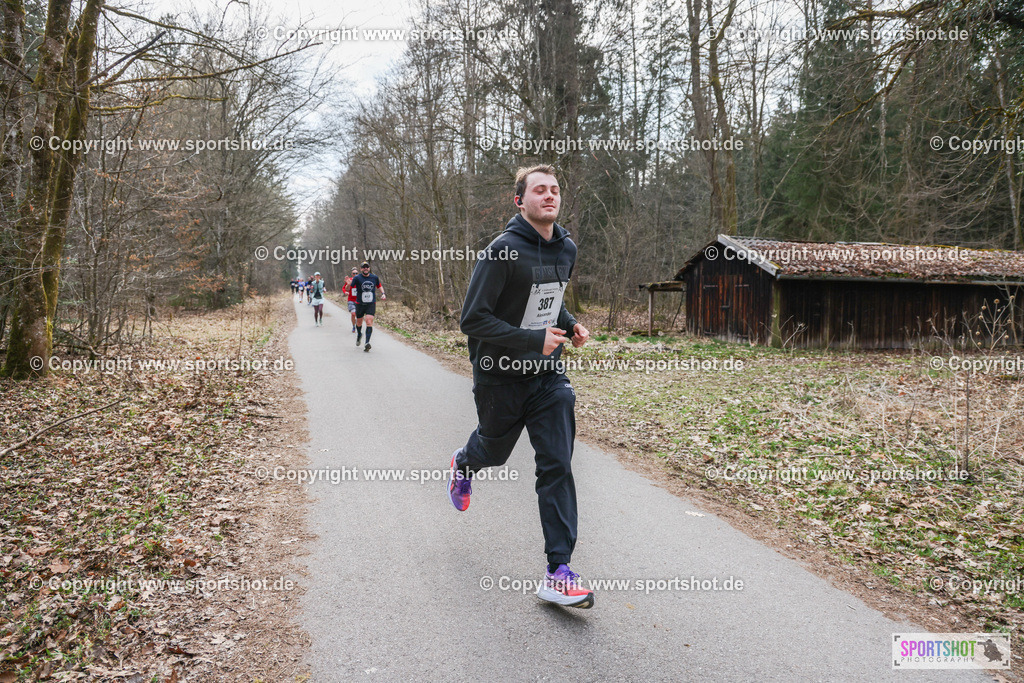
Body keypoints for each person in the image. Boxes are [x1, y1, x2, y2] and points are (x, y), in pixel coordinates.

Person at [447, 164, 593, 609]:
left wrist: (570, 324)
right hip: (499, 375)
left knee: (557, 465)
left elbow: (549, 301)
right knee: (493, 452)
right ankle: (463, 462)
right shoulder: (501, 252)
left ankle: (558, 571)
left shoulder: (566, 248)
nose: (549, 196)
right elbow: (472, 319)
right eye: (539, 190)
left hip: (548, 376)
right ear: (520, 201)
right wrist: (531, 340)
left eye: (555, 189)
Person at [350, 261, 385, 351]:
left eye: (367, 267)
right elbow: (350, 287)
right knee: (359, 323)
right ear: (361, 269)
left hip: (371, 303)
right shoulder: (357, 278)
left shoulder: (374, 277)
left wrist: (383, 293)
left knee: (369, 321)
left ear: (369, 268)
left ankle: (367, 342)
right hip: (360, 304)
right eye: (363, 267)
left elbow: (379, 286)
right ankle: (359, 335)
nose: (365, 268)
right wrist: (348, 283)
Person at [343, 267, 359, 333]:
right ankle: (353, 326)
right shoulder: (349, 280)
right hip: (351, 300)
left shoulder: (360, 280)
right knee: (353, 314)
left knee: (358, 315)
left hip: (359, 300)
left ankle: (358, 324)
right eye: (353, 273)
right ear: (352, 274)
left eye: (356, 273)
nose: (355, 274)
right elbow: (344, 288)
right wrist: (345, 292)